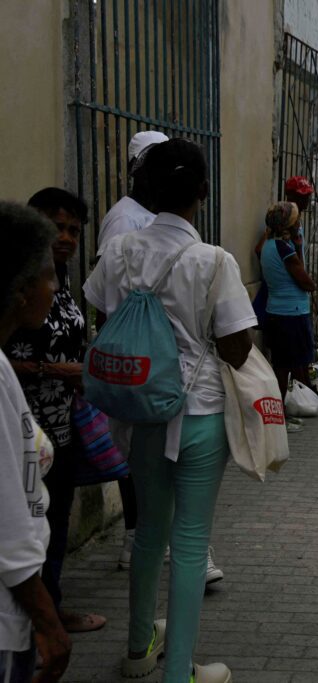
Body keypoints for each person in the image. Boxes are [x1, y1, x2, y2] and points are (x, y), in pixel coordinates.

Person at [84, 138, 256, 683]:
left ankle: (139, 649)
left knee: (148, 534)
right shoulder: (214, 261)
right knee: (189, 542)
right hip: (199, 411)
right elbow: (237, 348)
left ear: (147, 188)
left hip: (139, 414)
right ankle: (179, 671)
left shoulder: (118, 252)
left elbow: (104, 319)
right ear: (203, 190)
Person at [4, 189, 109, 635]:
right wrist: (52, 369)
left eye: (73, 230)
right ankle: (33, 619)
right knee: (21, 524)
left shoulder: (61, 280)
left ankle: (50, 606)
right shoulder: (16, 283)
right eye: (56, 227)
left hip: (60, 427)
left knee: (54, 521)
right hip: (18, 426)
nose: (65, 237)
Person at [0, 201, 71, 683]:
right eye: (48, 278)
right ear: (22, 290)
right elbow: (8, 522)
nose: (55, 288)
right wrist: (48, 622)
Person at [259, 202, 318, 417]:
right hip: (291, 313)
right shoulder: (284, 249)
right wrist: (312, 284)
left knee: (283, 363)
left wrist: (298, 245)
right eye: (296, 220)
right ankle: (281, 413)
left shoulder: (268, 245)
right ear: (288, 225)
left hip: (276, 311)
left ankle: (287, 408)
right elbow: (305, 281)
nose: (299, 223)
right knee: (286, 366)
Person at [96, 130, 168, 255]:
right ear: (133, 170)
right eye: (150, 164)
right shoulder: (124, 219)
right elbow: (109, 264)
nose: (158, 171)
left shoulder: (159, 212)